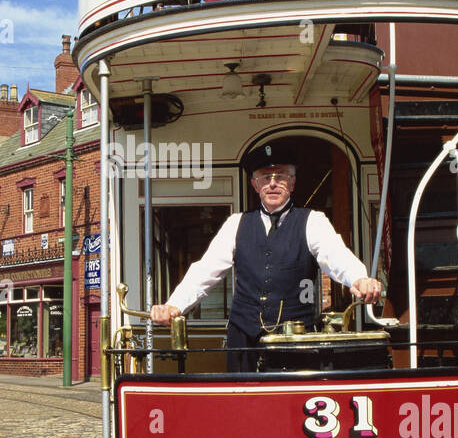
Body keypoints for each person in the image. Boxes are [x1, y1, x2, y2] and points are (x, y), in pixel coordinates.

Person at [150, 142, 382, 372]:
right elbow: (205, 271)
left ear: (291, 183)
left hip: (296, 342)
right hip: (243, 341)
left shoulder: (313, 221)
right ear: (254, 184)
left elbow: (336, 255)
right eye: (265, 176)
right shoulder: (236, 224)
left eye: (280, 176)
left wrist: (359, 278)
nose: (272, 183)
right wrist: (174, 305)